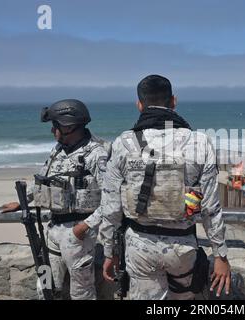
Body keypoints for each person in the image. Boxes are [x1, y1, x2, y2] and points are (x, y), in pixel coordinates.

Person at [99, 74, 231, 300]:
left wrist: (109, 252)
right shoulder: (199, 142)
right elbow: (210, 207)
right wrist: (220, 255)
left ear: (139, 105)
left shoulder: (123, 143)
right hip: (183, 249)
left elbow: (110, 206)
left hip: (139, 247)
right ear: (173, 101)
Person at [1, 99, 110, 300]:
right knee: (46, 286)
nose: (52, 131)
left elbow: (112, 198)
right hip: (52, 230)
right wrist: (23, 200)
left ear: (68, 126)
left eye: (55, 126)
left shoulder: (96, 154)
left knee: (82, 293)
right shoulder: (58, 149)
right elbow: (44, 179)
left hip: (79, 234)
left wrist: (84, 227)